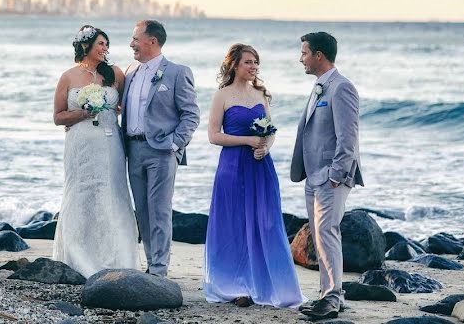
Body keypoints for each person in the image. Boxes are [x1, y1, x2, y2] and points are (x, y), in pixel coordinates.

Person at [203, 43, 305, 308]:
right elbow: (214, 136)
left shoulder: (260, 94)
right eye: (248, 62)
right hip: (232, 167)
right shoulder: (222, 96)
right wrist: (249, 140)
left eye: (256, 62)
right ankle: (235, 284)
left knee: (266, 223)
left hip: (261, 167)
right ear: (235, 65)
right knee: (234, 223)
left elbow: (270, 131)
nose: (253, 67)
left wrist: (264, 147)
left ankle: (269, 283)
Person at [52, 25, 137, 277]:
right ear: (85, 46)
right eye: (100, 43)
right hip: (80, 144)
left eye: (106, 44)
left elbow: (124, 107)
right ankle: (78, 255)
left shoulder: (115, 74)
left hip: (110, 144)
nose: (105, 48)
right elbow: (58, 117)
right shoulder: (68, 77)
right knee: (81, 192)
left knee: (112, 192)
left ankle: (115, 255)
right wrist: (82, 113)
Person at [292, 32, 362, 320]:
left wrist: (336, 173)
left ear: (319, 55)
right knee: (320, 237)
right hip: (314, 176)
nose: (301, 58)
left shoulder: (341, 87)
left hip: (331, 177)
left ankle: (331, 299)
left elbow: (348, 136)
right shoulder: (319, 87)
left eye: (304, 53)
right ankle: (330, 295)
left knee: (327, 234)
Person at [123, 19, 199, 277]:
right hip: (132, 151)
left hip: (161, 151)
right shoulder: (131, 71)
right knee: (142, 210)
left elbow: (191, 114)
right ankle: (150, 262)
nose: (132, 43)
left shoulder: (177, 72)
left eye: (135, 39)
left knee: (159, 210)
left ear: (151, 41)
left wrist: (175, 144)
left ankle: (158, 269)